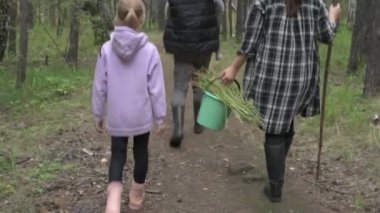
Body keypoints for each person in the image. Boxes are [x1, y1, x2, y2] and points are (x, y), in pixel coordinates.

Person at [221, 0, 341, 203]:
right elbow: (327, 35)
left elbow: (251, 41)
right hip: (300, 76)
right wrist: (333, 17)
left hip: (271, 74)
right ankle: (277, 170)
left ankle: (275, 186)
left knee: (275, 129)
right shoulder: (315, 3)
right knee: (285, 124)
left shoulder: (264, 2)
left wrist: (233, 68)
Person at [91, 0, 166, 211]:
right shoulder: (150, 51)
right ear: (141, 19)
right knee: (141, 152)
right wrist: (160, 118)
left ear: (118, 17)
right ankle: (136, 197)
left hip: (117, 115)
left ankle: (113, 203)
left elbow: (99, 86)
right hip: (141, 116)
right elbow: (157, 89)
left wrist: (98, 114)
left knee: (117, 154)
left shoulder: (106, 49)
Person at [164, 0, 224, 148]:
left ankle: (178, 130)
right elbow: (220, 8)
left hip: (182, 46)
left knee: (179, 87)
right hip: (204, 45)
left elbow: (168, 13)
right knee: (200, 84)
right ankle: (198, 123)